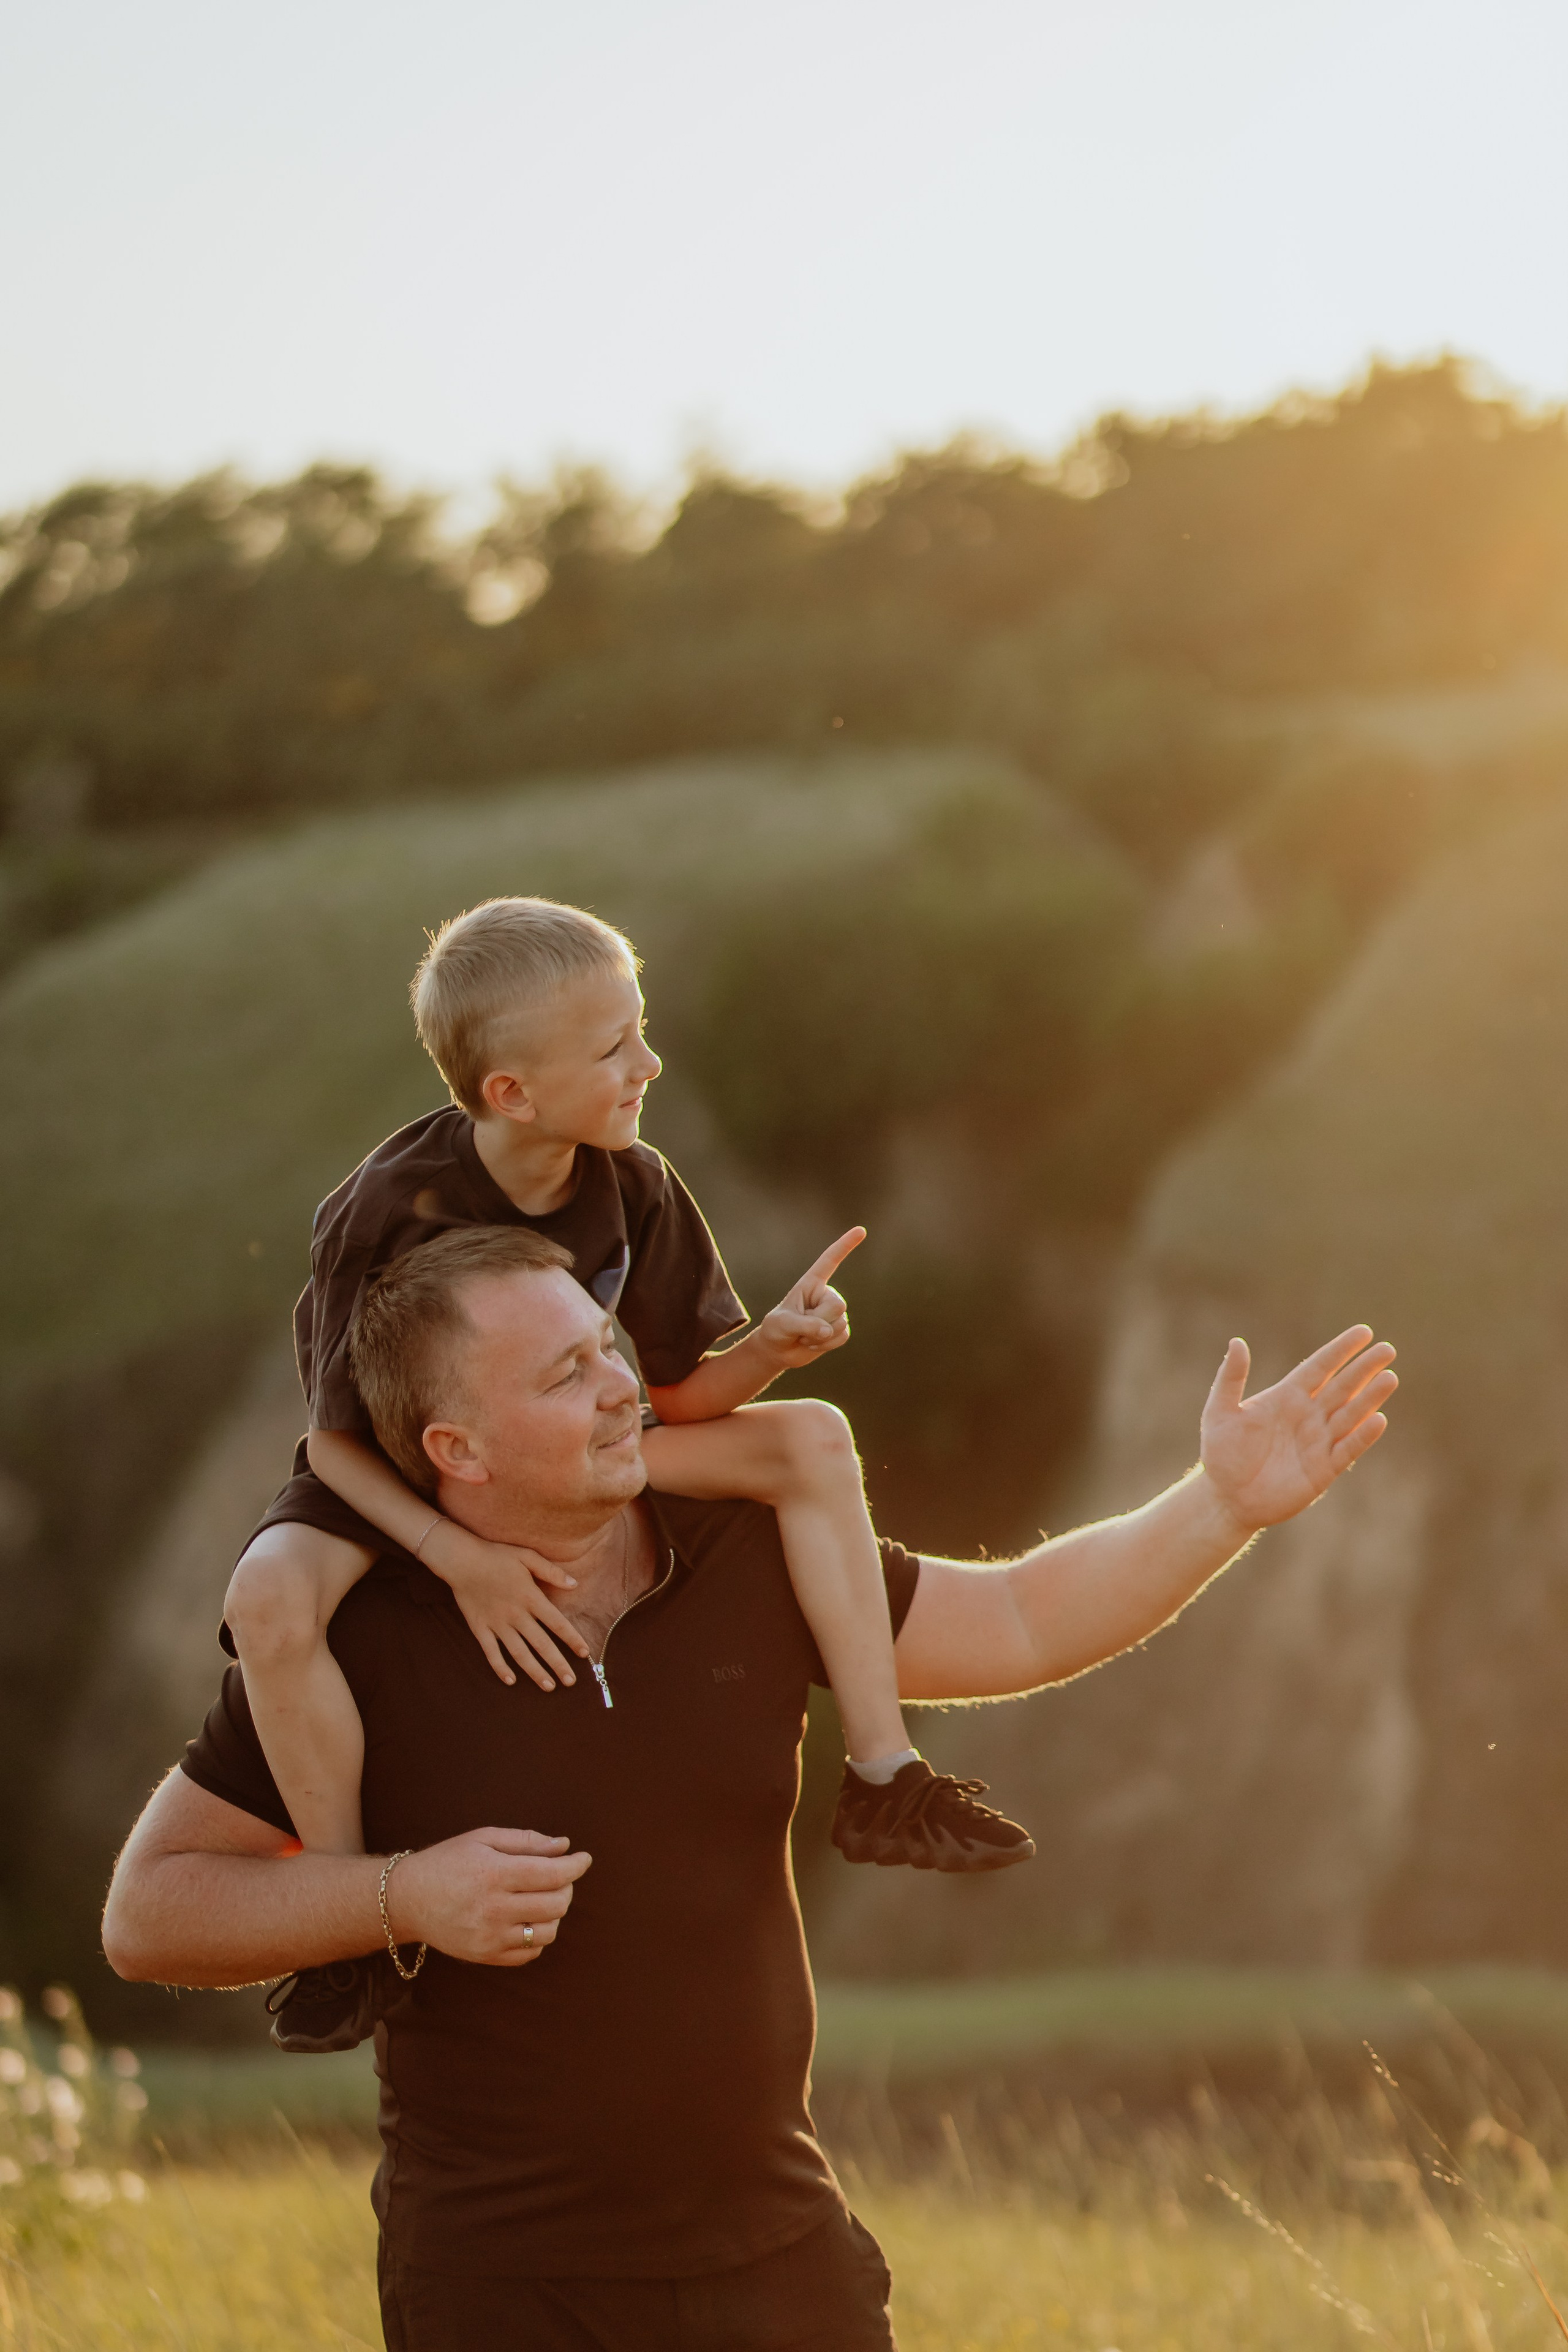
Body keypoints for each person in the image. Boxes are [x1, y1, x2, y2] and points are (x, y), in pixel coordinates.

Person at [103, 1223, 1396, 2351]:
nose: (624, 1386)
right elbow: (151, 1912)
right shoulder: (360, 1644)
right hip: (501, 2289)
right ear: (459, 1448)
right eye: (565, 1375)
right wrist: (403, 1895)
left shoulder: (753, 1545)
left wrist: (1219, 1506)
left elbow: (1016, 1621)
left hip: (779, 2258)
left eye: (607, 1344)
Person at [223, 897, 1032, 2052]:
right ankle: (347, 1926)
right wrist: (461, 1559)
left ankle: (883, 1775)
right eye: (614, 1049)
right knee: (268, 1595)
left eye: (640, 1032)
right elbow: (333, 1446)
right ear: (513, 1092)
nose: (648, 1065)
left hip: (569, 1444)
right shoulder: (386, 1206)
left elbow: (676, 1397)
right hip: (402, 1472)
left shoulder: (635, 1183)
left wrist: (771, 1350)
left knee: (812, 1436)